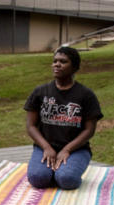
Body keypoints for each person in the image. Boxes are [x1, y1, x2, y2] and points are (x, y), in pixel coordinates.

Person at [24, 45, 103, 190]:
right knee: (38, 179)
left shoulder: (86, 95)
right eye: (55, 61)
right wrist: (47, 147)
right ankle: (51, 171)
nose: (57, 64)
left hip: (76, 149)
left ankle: (61, 172)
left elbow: (89, 130)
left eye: (63, 61)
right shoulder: (40, 92)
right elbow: (31, 126)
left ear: (74, 67)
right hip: (44, 148)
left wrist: (67, 150)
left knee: (67, 180)